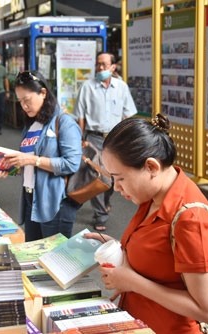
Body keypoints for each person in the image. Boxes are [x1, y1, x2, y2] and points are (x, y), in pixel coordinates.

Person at [85, 115, 208, 333]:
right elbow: (161, 255)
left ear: (151, 167)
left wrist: (132, 282)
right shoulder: (154, 197)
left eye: (120, 178)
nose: (116, 187)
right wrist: (120, 248)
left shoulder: (192, 221)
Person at [0, 71, 82, 242]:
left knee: (54, 259)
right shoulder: (32, 124)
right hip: (30, 198)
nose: (24, 106)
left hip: (55, 201)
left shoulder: (64, 122)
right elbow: (29, 164)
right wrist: (12, 168)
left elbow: (71, 163)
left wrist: (31, 160)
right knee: (34, 256)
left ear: (43, 93)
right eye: (20, 101)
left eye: (27, 100)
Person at [74, 52, 137, 231]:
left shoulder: (121, 87)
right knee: (97, 175)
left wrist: (130, 136)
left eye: (104, 65)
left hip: (116, 138)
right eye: (98, 65)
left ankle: (106, 200)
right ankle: (101, 215)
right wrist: (80, 138)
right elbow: (80, 115)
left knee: (111, 178)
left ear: (112, 67)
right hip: (94, 137)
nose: (100, 68)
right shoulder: (87, 87)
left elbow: (129, 114)